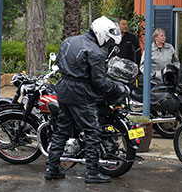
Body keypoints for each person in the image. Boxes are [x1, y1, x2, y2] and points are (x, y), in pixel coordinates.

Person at [45, 16, 127, 183]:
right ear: (102, 34)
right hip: (80, 93)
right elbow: (99, 81)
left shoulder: (68, 41)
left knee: (62, 130)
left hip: (63, 88)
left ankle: (51, 168)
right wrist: (117, 88)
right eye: (108, 40)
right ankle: (92, 172)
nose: (107, 44)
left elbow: (60, 64)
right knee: (92, 131)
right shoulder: (95, 52)